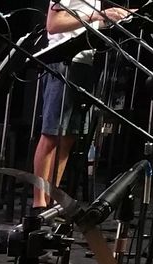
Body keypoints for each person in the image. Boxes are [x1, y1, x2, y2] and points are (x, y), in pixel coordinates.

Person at [32, 1, 131, 208]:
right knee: (52, 134)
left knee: (68, 136)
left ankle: (52, 199)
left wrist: (114, 18)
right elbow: (54, 24)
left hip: (84, 63)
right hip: (63, 62)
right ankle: (39, 203)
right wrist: (97, 15)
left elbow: (85, 24)